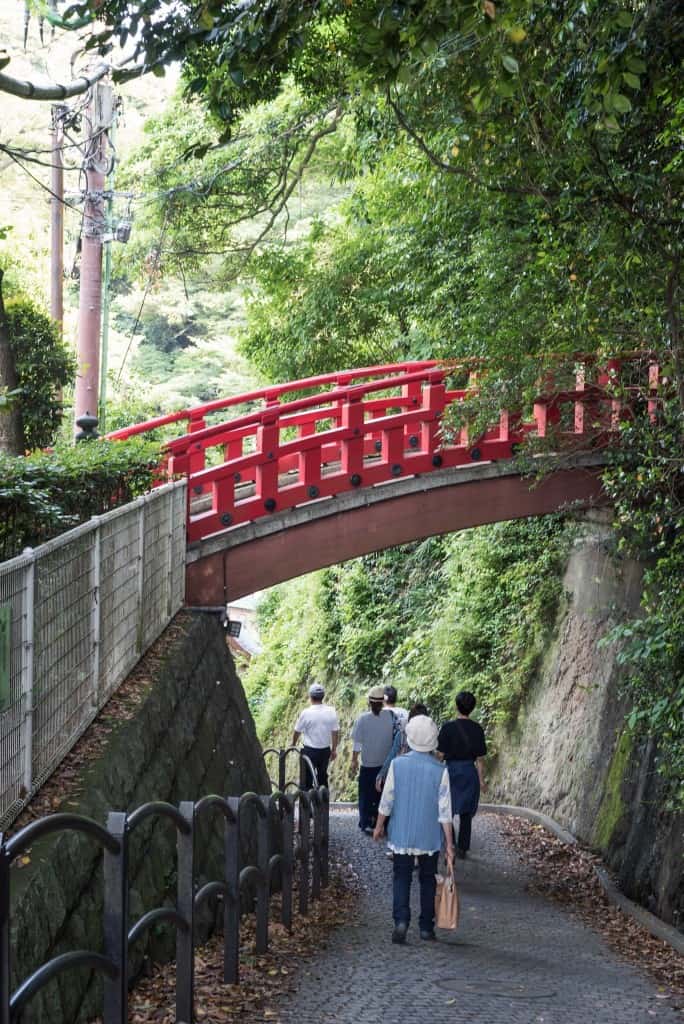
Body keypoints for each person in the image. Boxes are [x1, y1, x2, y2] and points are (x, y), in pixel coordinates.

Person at [373, 715, 454, 943]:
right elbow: (445, 811)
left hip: (402, 833)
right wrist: (450, 844)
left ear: (409, 737)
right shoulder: (441, 770)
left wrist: (379, 826)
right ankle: (426, 927)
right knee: (428, 879)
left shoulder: (397, 765)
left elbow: (387, 800)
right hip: (429, 836)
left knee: (401, 877)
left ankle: (401, 921)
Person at [437, 690, 487, 859]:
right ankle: (463, 848)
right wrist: (481, 781)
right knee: (466, 812)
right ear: (472, 708)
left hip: (450, 772)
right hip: (469, 772)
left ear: (456, 706)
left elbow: (440, 756)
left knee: (447, 809)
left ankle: (449, 843)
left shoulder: (447, 728)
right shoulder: (477, 729)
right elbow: (480, 759)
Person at [351, 686, 395, 832]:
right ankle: (380, 822)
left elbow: (357, 743)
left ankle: (365, 823)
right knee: (382, 795)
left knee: (365, 795)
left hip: (368, 764)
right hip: (385, 766)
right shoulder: (390, 717)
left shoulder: (363, 719)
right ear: (383, 702)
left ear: (369, 702)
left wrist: (354, 760)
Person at [292, 683, 339, 790]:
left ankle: (307, 804)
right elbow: (335, 732)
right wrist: (334, 749)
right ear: (323, 696)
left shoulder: (306, 713)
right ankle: (323, 804)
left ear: (310, 697)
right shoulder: (331, 711)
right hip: (325, 750)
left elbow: (297, 731)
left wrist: (293, 744)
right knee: (322, 777)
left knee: (307, 779)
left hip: (309, 751)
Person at [376, 702, 429, 791]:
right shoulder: (429, 737)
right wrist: (382, 773)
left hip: (403, 777)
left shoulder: (402, 735)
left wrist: (382, 774)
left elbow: (392, 755)